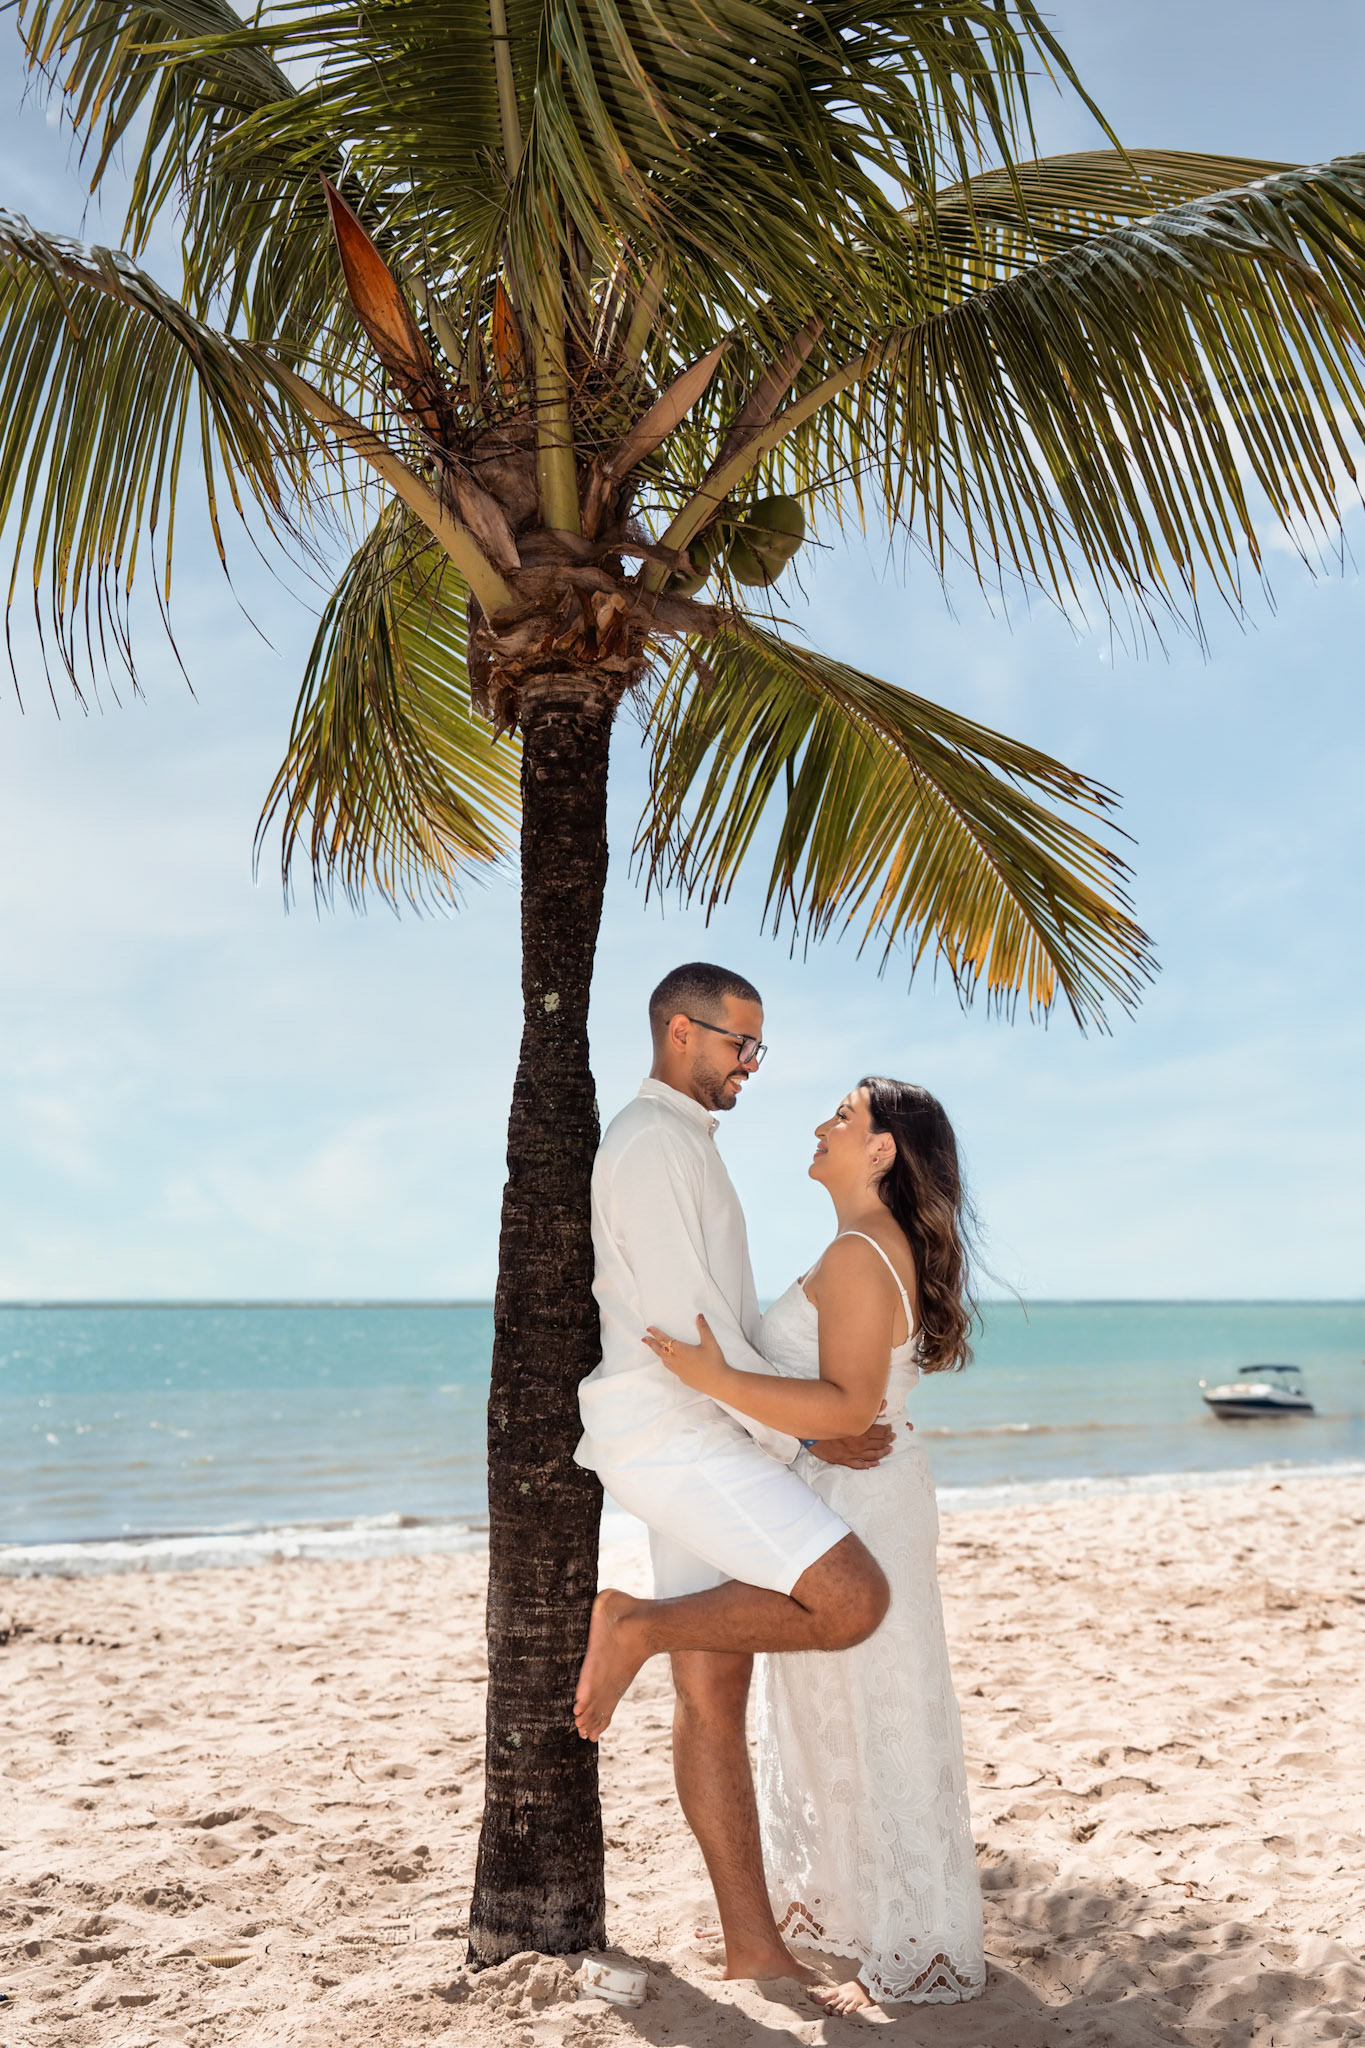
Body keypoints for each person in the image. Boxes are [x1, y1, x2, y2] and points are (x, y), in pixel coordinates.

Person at [574, 963, 895, 1984]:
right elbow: (689, 1332)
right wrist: (804, 1436)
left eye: (759, 1047)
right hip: (678, 1433)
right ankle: (631, 1622)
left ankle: (753, 1945)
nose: (751, 1064)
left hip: (686, 1428)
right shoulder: (655, 1145)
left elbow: (718, 1326)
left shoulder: (682, 1146)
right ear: (680, 1031)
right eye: (737, 1044)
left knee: (714, 1690)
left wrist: (804, 1421)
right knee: (850, 1598)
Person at [642, 1078, 986, 2013]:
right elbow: (841, 1407)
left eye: (843, 1115)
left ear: (882, 1151)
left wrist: (715, 1378)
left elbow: (847, 1407)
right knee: (847, 1709)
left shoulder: (860, 1253)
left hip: (861, 1499)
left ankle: (905, 1948)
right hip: (854, 1491)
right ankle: (872, 1919)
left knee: (880, 1708)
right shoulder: (868, 1248)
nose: (822, 1124)